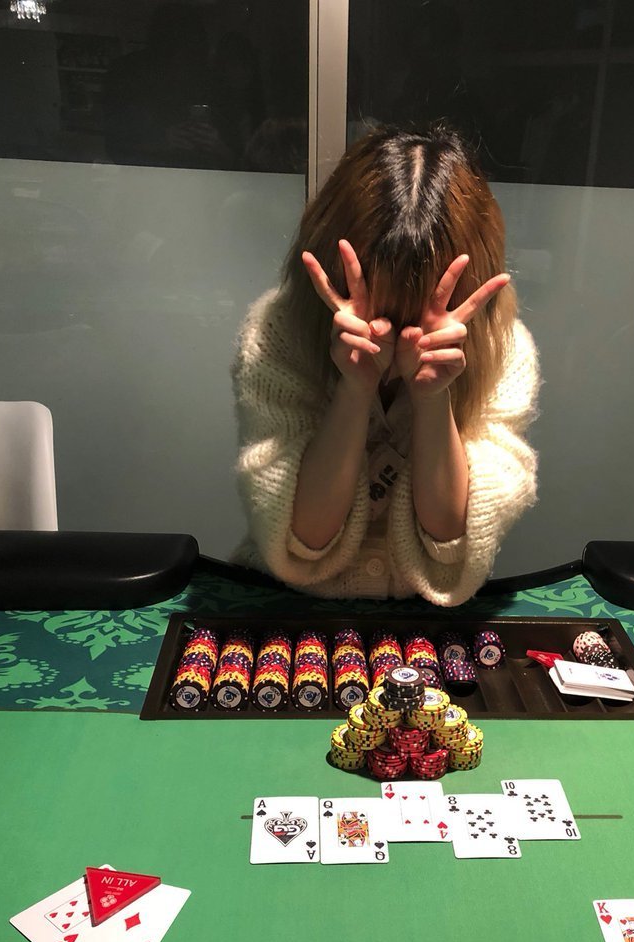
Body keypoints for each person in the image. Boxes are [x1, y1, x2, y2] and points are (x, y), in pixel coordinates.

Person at [231, 125, 540, 606]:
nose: (393, 331)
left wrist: (433, 399)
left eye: (415, 309)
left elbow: (451, 546)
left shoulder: (504, 347)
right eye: (377, 299)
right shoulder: (277, 331)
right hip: (286, 607)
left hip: (427, 619)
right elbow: (304, 539)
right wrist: (354, 391)